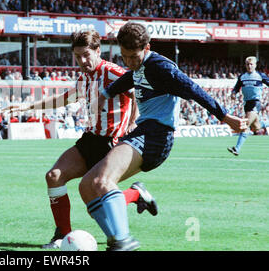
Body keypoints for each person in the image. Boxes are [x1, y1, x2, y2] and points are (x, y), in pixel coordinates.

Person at [82, 22, 247, 251]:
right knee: (87, 186)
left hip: (156, 136)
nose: (129, 62)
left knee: (102, 181)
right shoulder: (140, 66)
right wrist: (106, 92)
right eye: (124, 57)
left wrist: (224, 116)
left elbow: (193, 89)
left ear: (147, 47)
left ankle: (123, 241)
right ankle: (115, 235)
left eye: (133, 56)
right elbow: (130, 77)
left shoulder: (161, 67)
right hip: (145, 133)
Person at [4, 29, 155, 250]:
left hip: (113, 145)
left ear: (97, 50)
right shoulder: (84, 77)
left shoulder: (113, 72)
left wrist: (133, 121)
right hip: (90, 139)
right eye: (77, 57)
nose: (82, 61)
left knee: (98, 202)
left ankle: (135, 194)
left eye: (86, 54)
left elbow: (136, 92)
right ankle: (61, 235)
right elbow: (65, 98)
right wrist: (28, 106)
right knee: (54, 176)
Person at [227, 56, 269, 156]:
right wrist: (233, 94)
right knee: (256, 127)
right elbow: (236, 88)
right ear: (245, 65)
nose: (249, 66)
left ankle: (236, 148)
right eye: (247, 64)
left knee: (245, 125)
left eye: (251, 64)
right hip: (246, 104)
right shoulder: (242, 77)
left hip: (255, 103)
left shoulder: (260, 76)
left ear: (255, 65)